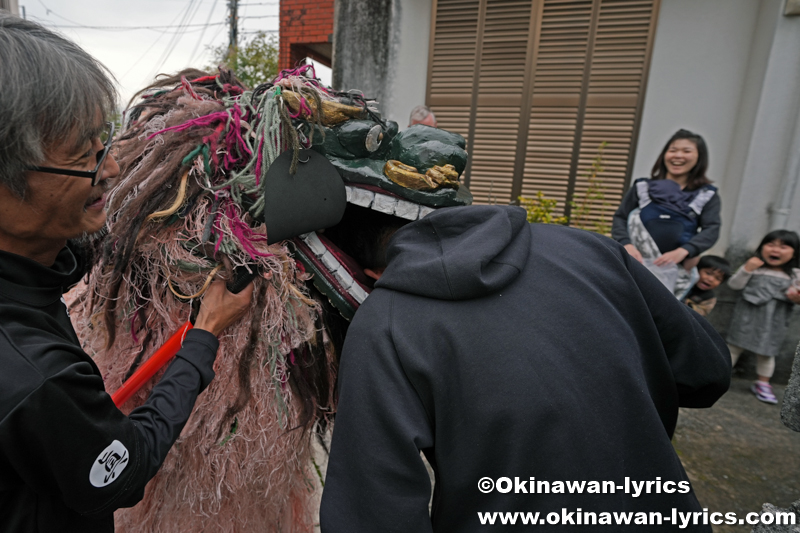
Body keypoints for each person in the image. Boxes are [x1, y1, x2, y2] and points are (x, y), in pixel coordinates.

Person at [320, 204, 731, 532]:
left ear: (368, 272)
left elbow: (373, 506)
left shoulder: (385, 323)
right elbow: (707, 372)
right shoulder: (592, 250)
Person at [0, 15, 253, 532]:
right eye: (83, 155)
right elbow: (122, 472)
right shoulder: (33, 375)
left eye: (103, 142)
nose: (111, 169)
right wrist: (202, 340)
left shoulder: (31, 277)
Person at [612, 129, 720, 295]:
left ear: (700, 157)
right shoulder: (643, 187)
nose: (678, 156)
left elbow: (712, 229)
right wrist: (626, 245)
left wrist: (684, 251)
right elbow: (621, 218)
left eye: (686, 151)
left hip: (675, 270)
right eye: (673, 150)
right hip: (635, 264)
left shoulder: (706, 194)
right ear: (664, 155)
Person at [726, 230, 800, 404]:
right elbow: (734, 285)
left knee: (766, 354)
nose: (776, 250)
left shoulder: (795, 274)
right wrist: (746, 269)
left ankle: (763, 383)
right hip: (746, 316)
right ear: (761, 247)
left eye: (783, 246)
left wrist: (795, 297)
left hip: (773, 321)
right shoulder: (754, 267)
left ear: (795, 252)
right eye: (771, 244)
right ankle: (721, 376)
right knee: (733, 347)